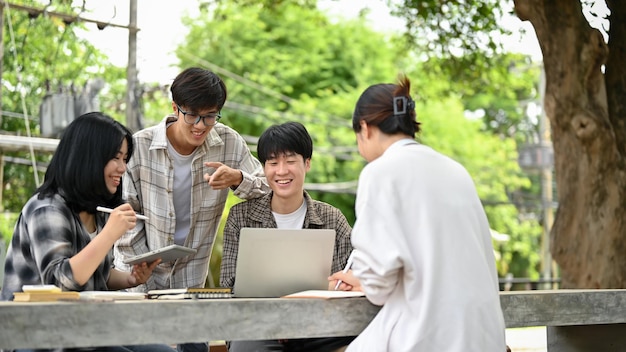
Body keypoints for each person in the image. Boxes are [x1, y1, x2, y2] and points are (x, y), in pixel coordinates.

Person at [328, 76, 507, 351]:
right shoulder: (456, 171)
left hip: (430, 336)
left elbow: (377, 286)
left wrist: (361, 279)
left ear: (364, 128)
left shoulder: (380, 173)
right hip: (485, 335)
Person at [113, 67, 270, 352]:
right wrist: (141, 277)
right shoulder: (140, 146)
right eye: (192, 115)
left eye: (210, 116)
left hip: (191, 282)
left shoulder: (229, 143)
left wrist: (237, 179)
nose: (200, 125)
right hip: (138, 280)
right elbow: (127, 218)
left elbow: (267, 188)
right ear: (175, 107)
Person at [0, 112, 175, 352]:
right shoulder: (46, 208)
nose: (123, 168)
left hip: (86, 329)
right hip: (37, 335)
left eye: (125, 159)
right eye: (116, 158)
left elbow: (95, 275)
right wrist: (109, 235)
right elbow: (60, 282)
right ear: (89, 158)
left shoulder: (98, 210)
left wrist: (131, 278)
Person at [220, 122, 355, 352]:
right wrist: (276, 319)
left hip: (320, 326)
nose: (281, 171)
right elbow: (230, 287)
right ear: (264, 168)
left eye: (290, 161)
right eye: (273, 163)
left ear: (307, 163)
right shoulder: (241, 218)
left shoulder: (332, 219)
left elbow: (348, 285)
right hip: (257, 327)